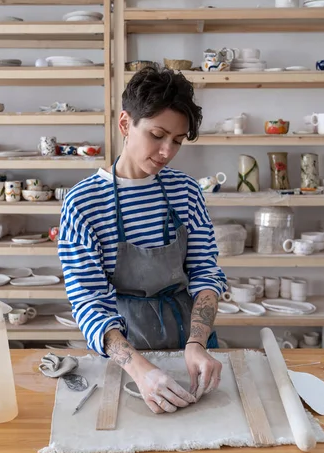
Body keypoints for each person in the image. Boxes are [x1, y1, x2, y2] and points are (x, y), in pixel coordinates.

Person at [58, 66, 227, 414]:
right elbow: (88, 301)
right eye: (157, 134)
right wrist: (140, 369)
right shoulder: (83, 203)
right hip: (124, 353)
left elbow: (205, 272)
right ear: (125, 124)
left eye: (177, 141)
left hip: (190, 341)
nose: (167, 151)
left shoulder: (186, 192)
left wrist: (197, 342)